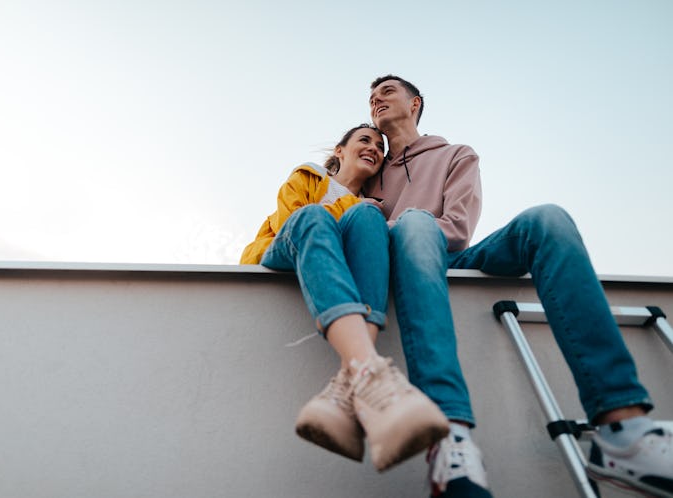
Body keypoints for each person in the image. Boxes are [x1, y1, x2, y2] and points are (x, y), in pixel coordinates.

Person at [365, 74, 673, 498]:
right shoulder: (368, 168)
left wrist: (390, 223)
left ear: (415, 103)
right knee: (415, 224)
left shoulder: (456, 154)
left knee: (547, 218)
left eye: (387, 92)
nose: (375, 100)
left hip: (453, 256)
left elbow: (457, 229)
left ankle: (624, 428)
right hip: (403, 261)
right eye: (370, 96)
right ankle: (449, 437)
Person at [240, 124, 450, 472]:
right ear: (340, 151)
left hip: (335, 260)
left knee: (369, 218)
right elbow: (293, 221)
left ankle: (352, 380)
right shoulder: (308, 177)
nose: (373, 148)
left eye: (379, 147)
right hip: (281, 251)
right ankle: (376, 379)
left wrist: (363, 208)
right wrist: (348, 206)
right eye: (364, 140)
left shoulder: (369, 208)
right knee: (314, 215)